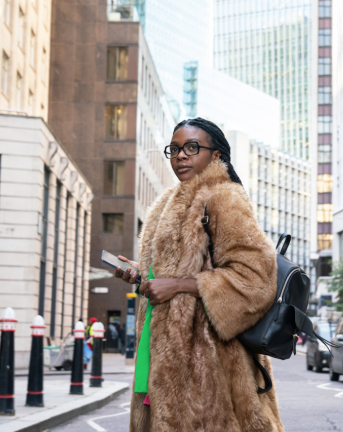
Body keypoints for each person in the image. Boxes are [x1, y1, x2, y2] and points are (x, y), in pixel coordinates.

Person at [115, 118, 283, 431]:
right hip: (164, 354)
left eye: (192, 147)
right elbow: (172, 273)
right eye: (175, 149)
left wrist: (177, 285)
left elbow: (257, 280)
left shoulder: (223, 198)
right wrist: (141, 276)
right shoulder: (169, 202)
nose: (180, 156)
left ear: (216, 155)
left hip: (207, 368)